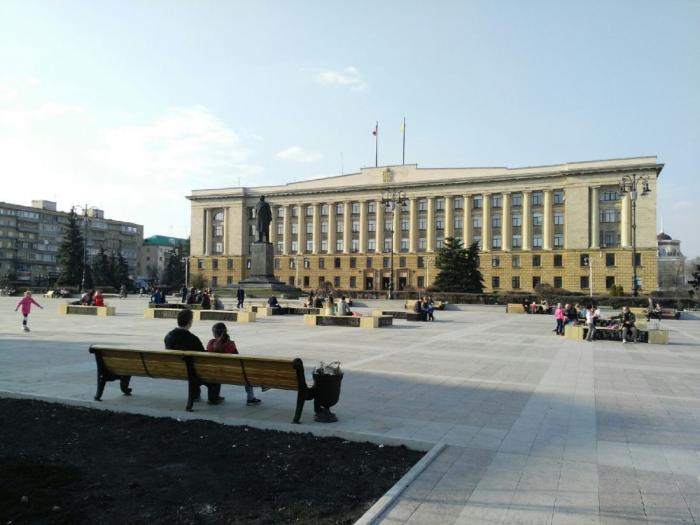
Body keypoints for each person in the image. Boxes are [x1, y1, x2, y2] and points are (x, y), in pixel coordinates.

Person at [164, 309, 223, 404]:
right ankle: (213, 398)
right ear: (190, 322)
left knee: (191, 365)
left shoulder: (168, 337)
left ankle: (195, 395)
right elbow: (203, 356)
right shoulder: (193, 339)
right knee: (209, 372)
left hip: (175, 370)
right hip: (193, 372)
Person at [206, 322, 261, 406]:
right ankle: (250, 399)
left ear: (214, 333)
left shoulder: (210, 344)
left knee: (217, 368)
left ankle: (213, 397)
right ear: (225, 332)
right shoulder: (230, 344)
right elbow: (238, 360)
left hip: (213, 372)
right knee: (246, 373)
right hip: (232, 374)